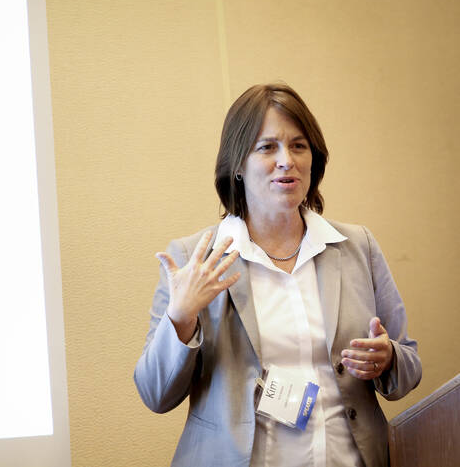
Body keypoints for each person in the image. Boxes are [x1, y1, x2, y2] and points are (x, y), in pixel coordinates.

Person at [133, 83, 421, 467]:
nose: (286, 160)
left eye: (298, 146)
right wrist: (182, 317)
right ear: (238, 163)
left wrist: (387, 360)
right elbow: (155, 394)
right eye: (267, 147)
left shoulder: (357, 246)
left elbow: (409, 365)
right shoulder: (193, 258)